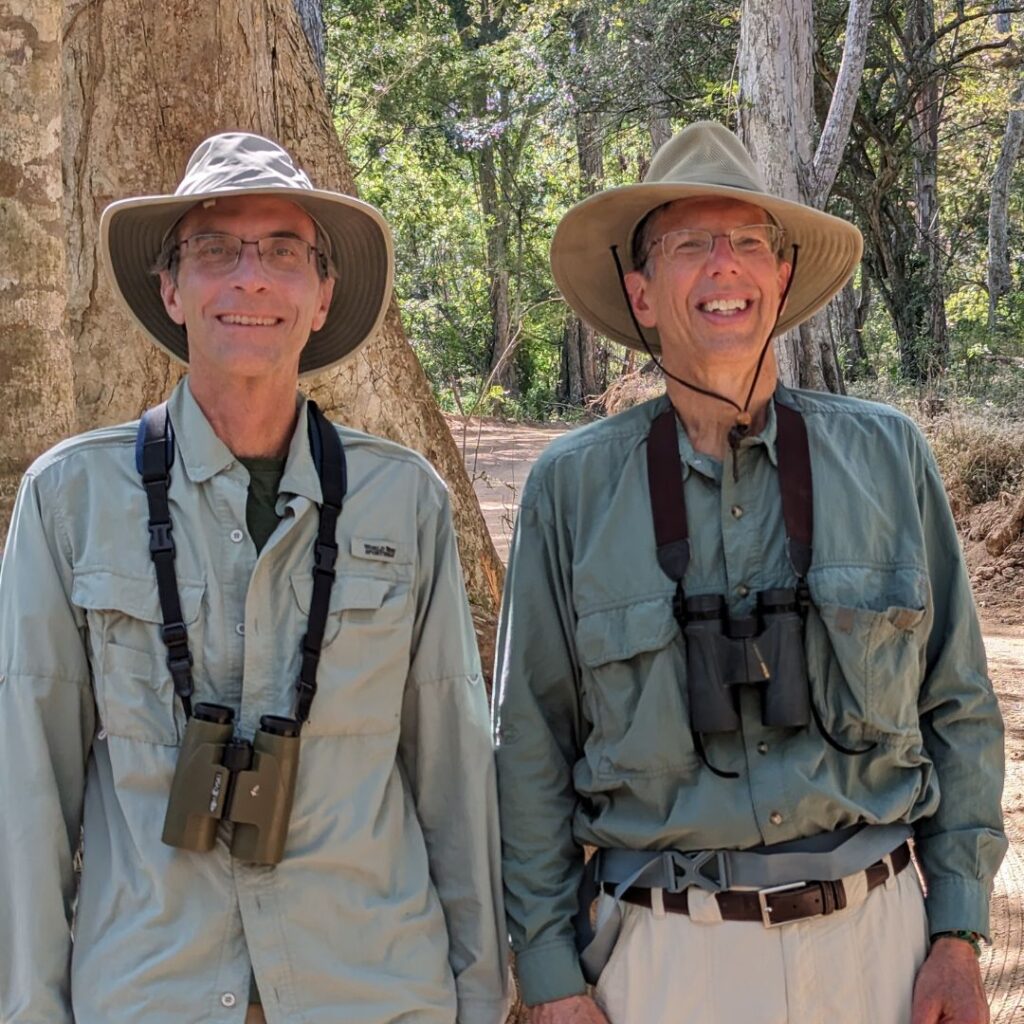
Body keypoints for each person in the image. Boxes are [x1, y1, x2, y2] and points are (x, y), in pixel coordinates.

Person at [493, 121, 1005, 1024]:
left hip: (873, 949)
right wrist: (551, 976)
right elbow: (529, 742)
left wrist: (956, 933)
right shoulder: (571, 490)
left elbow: (958, 704)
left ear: (780, 278)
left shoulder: (887, 460)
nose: (723, 265)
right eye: (690, 244)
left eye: (747, 243)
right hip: (661, 960)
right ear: (642, 294)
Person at [0, 132, 509, 1024]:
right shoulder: (70, 498)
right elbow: (29, 786)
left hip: (373, 989)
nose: (251, 277)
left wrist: (480, 991)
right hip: (154, 993)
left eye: (282, 251)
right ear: (171, 288)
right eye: (215, 250)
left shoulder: (402, 502)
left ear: (322, 295)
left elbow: (453, 777)